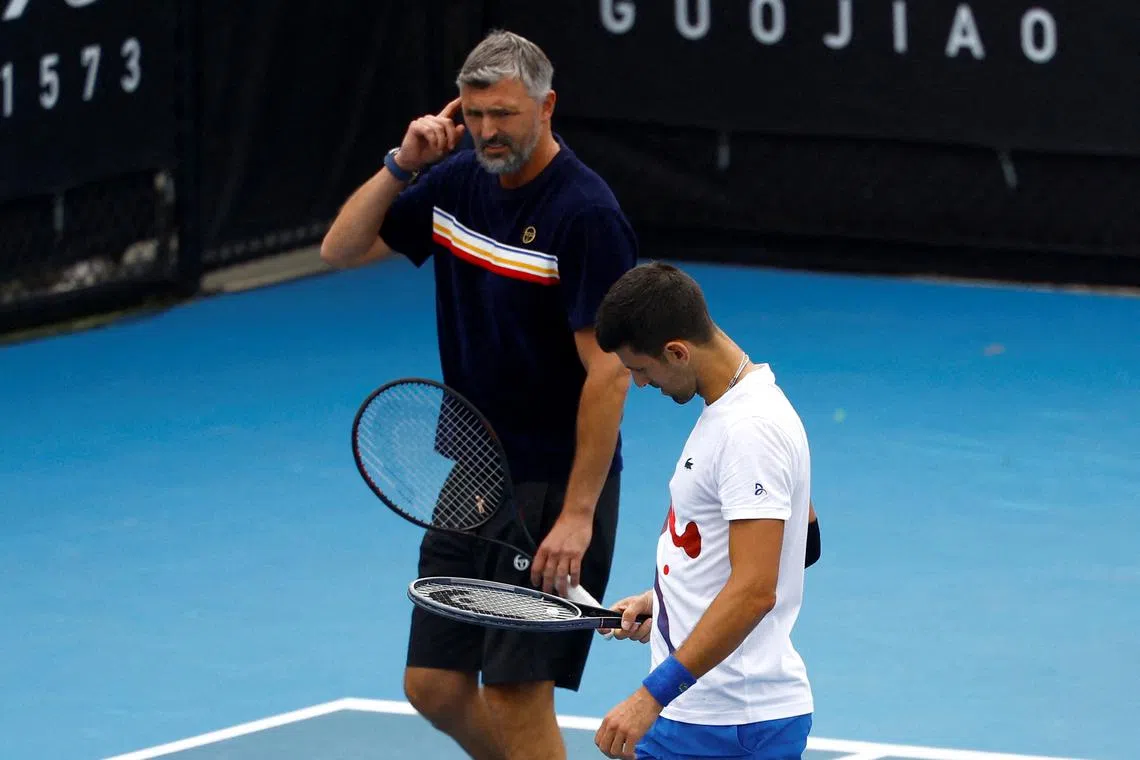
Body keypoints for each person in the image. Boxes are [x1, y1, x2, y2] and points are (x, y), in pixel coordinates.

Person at [320, 29, 638, 760]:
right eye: (475, 113)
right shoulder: (456, 180)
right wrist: (402, 166)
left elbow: (610, 372)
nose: (488, 131)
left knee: (516, 693)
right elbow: (340, 249)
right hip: (475, 471)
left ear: (546, 106)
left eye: (504, 114)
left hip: (556, 481)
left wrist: (578, 516)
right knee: (432, 684)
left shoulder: (585, 215)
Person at [591, 262, 816, 760]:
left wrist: (650, 696)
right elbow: (803, 542)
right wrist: (667, 601)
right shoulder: (740, 411)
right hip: (711, 714)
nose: (641, 384)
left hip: (726, 721)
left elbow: (757, 588)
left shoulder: (749, 430)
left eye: (641, 368)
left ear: (677, 351)